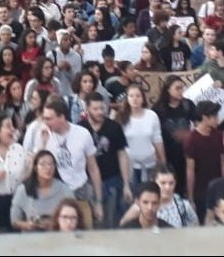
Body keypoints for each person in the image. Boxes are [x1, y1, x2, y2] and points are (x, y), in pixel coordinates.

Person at [38, 95, 104, 225]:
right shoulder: (42, 134)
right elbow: (37, 168)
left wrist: (98, 202)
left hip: (80, 191)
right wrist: (43, 144)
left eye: (49, 119)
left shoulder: (82, 134)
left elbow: (93, 169)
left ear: (62, 117)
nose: (45, 122)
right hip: (54, 194)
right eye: (44, 118)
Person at [79, 92, 132, 228]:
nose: (100, 112)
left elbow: (122, 155)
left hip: (111, 180)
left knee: (110, 221)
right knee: (89, 221)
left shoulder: (114, 127)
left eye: (102, 108)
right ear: (87, 109)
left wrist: (126, 183)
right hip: (87, 182)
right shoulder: (80, 128)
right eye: (95, 109)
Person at [152, 76, 196, 196]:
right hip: (168, 154)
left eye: (182, 88)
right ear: (168, 90)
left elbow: (198, 126)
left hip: (187, 154)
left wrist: (188, 135)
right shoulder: (158, 109)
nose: (181, 91)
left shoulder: (188, 105)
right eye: (177, 88)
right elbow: (154, 135)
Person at [10, 150, 74, 232]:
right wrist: (29, 225)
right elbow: (14, 221)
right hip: (31, 238)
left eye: (51, 164)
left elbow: (74, 215)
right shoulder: (23, 189)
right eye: (43, 164)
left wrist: (56, 224)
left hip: (57, 236)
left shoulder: (64, 189)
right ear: (35, 167)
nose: (48, 168)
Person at [116, 84, 166, 185]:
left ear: (143, 98)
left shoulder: (152, 116)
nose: (135, 99)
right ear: (127, 98)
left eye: (138, 96)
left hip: (151, 164)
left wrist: (163, 162)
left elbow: (157, 140)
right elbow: (119, 146)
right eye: (131, 96)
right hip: (130, 166)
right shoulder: (121, 118)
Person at [119, 164, 198, 228]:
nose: (167, 188)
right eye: (163, 183)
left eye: (171, 183)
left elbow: (194, 227)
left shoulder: (183, 205)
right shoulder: (139, 207)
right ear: (153, 181)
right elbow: (124, 228)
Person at [184, 101, 224, 223]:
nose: (218, 119)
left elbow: (223, 162)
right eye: (215, 116)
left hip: (218, 188)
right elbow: (190, 170)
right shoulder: (192, 139)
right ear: (205, 118)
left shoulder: (218, 135)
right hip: (200, 191)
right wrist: (191, 198)